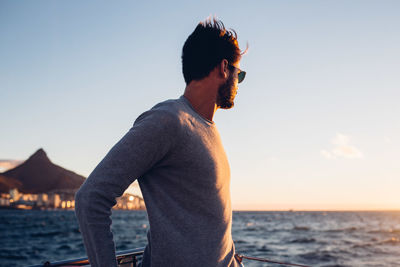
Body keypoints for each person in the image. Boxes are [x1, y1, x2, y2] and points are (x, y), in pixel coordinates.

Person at [75, 17, 247, 267]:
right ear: (223, 68)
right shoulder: (168, 121)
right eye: (238, 74)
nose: (238, 83)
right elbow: (90, 197)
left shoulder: (208, 130)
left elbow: (207, 225)